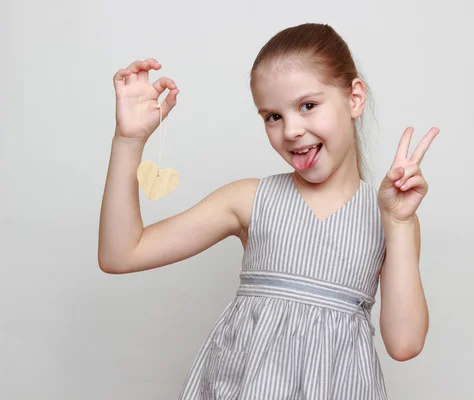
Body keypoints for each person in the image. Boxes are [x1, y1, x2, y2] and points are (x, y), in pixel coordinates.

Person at [99, 22, 439, 400]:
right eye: (272, 116)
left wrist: (399, 220)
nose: (291, 129)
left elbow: (404, 344)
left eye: (308, 106)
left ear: (354, 97)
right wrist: (128, 141)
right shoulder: (249, 200)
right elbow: (120, 254)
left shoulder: (391, 218)